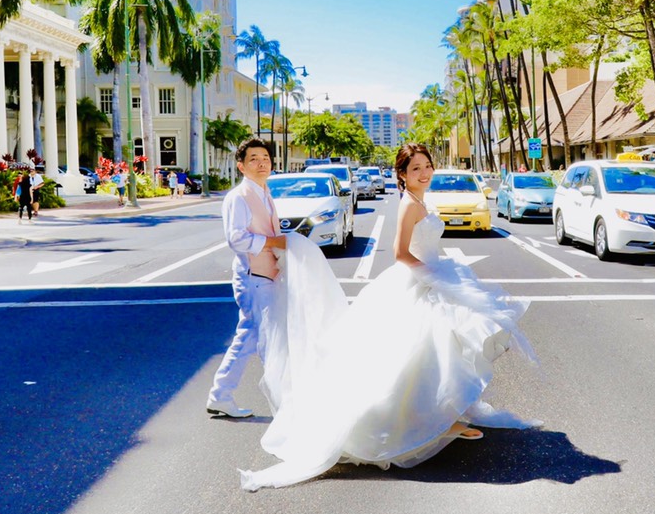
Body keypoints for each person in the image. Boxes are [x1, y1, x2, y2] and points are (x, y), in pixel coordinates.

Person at [238, 141, 537, 491]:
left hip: (432, 274)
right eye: (415, 169)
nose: (424, 173)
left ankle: (450, 414)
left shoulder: (422, 199)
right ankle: (425, 423)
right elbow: (400, 254)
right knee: (415, 357)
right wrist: (434, 275)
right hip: (415, 280)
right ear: (402, 175)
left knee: (445, 352)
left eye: (427, 166)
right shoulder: (409, 204)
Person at [206, 137, 285, 420]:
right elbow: (236, 239)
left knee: (256, 335)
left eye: (265, 157)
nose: (261, 162)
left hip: (265, 275)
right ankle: (224, 396)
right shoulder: (238, 197)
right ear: (241, 166)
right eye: (253, 158)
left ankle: (222, 395)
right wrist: (275, 244)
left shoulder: (265, 192)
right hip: (252, 276)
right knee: (255, 336)